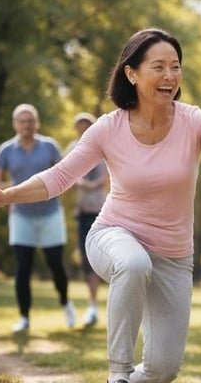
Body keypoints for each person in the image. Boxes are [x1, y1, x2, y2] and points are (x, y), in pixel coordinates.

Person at [0, 29, 201, 382]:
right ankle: (118, 372)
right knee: (133, 261)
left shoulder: (194, 121)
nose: (170, 76)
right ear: (132, 73)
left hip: (174, 257)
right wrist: (7, 195)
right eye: (158, 67)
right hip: (113, 236)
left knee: (163, 370)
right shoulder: (107, 129)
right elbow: (59, 177)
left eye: (175, 66)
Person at [0, 103, 75, 332]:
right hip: (21, 216)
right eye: (22, 121)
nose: (26, 125)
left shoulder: (49, 146)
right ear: (15, 124)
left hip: (50, 214)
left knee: (56, 265)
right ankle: (25, 317)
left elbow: (65, 175)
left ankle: (66, 304)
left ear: (36, 123)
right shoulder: (6, 150)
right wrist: (14, 192)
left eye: (30, 121)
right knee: (23, 267)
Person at [66, 112, 109, 326]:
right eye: (80, 127)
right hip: (82, 210)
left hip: (104, 210)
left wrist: (90, 184)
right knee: (86, 257)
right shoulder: (73, 149)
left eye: (87, 126)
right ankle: (92, 306)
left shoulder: (104, 146)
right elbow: (65, 174)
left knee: (103, 257)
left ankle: (102, 305)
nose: (83, 130)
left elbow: (108, 176)